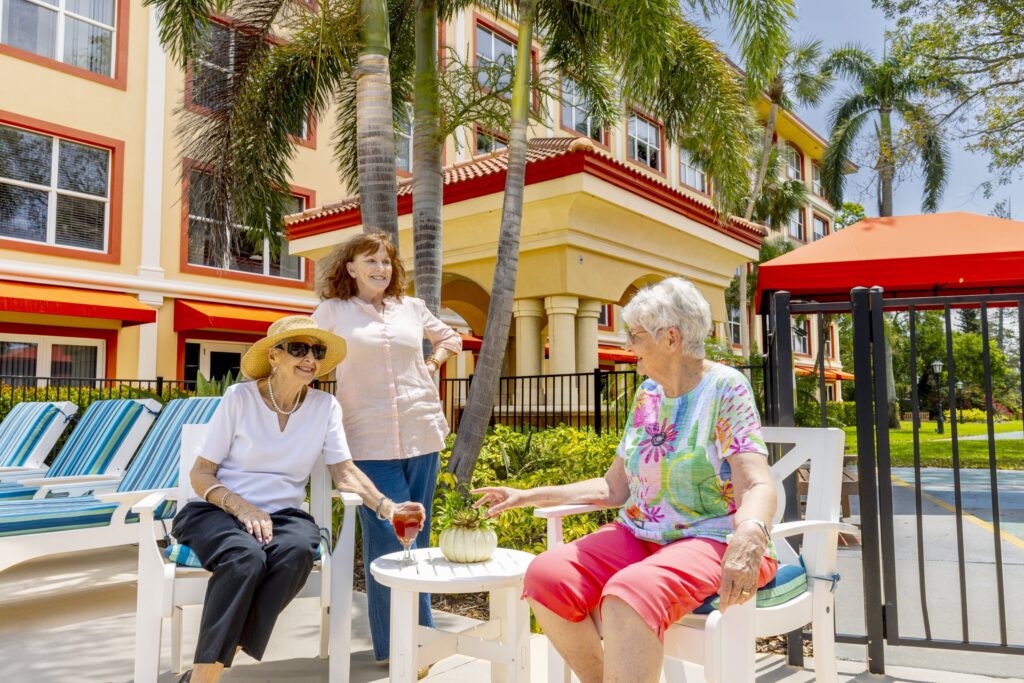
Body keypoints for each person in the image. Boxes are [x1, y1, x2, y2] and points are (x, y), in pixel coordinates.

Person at [473, 277, 778, 683]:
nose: (627, 347)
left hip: (713, 538)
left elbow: (757, 482)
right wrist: (528, 495)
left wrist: (752, 533)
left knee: (626, 595)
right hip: (641, 533)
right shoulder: (648, 394)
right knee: (546, 576)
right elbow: (614, 487)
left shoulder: (725, 388)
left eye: (634, 336)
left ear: (671, 338)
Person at [172, 315, 425, 683]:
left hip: (283, 516)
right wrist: (243, 508)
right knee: (245, 559)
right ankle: (203, 678)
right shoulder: (240, 398)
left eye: (317, 351)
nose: (310, 358)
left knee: (299, 550)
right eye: (298, 348)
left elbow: (345, 471)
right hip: (220, 510)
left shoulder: (325, 406)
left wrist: (388, 507)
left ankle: (222, 651)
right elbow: (201, 473)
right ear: (274, 356)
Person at [312, 233, 462, 665]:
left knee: (420, 536)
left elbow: (450, 337)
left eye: (387, 261)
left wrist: (431, 364)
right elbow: (302, 350)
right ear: (351, 268)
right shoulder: (332, 312)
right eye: (370, 260)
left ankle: (419, 639)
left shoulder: (411, 308)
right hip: (367, 438)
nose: (381, 268)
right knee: (386, 541)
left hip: (422, 432)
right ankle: (398, 645)